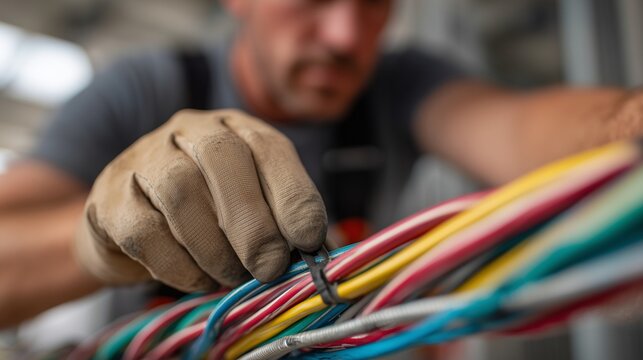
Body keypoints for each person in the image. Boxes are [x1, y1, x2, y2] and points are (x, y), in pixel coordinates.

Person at [1, 0, 642, 328]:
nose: (347, 36)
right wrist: (93, 242)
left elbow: (516, 127)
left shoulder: (400, 85)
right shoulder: (141, 89)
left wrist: (628, 127)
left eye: (375, 4)